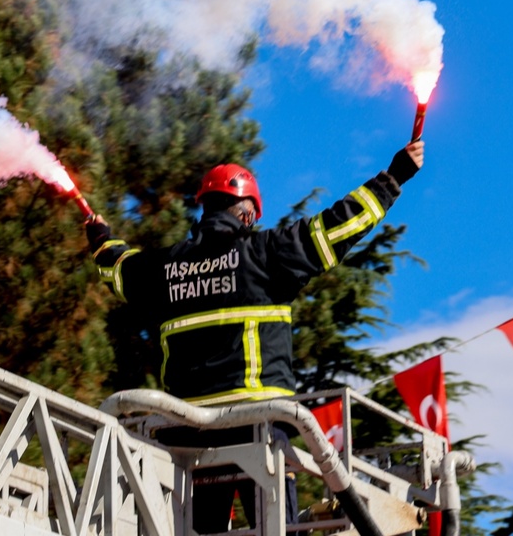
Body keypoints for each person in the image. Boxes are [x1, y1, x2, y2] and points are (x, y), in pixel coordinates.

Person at [85, 141, 424, 531]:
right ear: (247, 214)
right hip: (260, 425)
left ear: (206, 206)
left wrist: (100, 238)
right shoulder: (266, 253)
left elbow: (120, 269)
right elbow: (337, 229)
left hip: (187, 433)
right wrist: (393, 177)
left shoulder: (165, 267)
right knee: (275, 528)